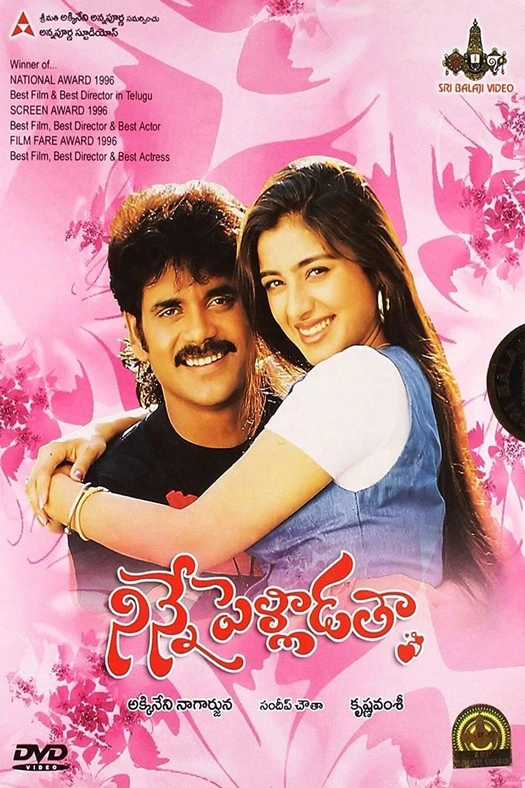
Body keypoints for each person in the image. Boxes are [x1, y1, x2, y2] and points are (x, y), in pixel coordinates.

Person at [27, 157, 495, 592]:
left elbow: (194, 540)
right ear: (136, 332)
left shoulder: (354, 378)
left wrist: (62, 496)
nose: (297, 307)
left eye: (316, 271)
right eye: (275, 283)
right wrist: (109, 427)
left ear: (373, 266)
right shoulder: (389, 374)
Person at [37, 180, 284, 608]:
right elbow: (114, 643)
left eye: (220, 299)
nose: (199, 331)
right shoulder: (109, 487)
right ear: (137, 333)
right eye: (170, 310)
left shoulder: (314, 431)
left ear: (254, 306)